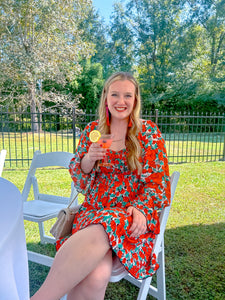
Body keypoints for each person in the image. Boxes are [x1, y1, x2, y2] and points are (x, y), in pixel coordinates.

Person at [31, 72, 171, 300]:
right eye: (114, 94)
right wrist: (88, 159)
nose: (121, 101)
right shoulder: (93, 133)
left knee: (108, 222)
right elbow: (80, 183)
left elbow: (158, 184)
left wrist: (142, 208)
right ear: (105, 97)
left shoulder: (147, 134)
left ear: (135, 100)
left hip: (128, 216)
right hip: (94, 212)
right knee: (97, 273)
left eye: (128, 95)